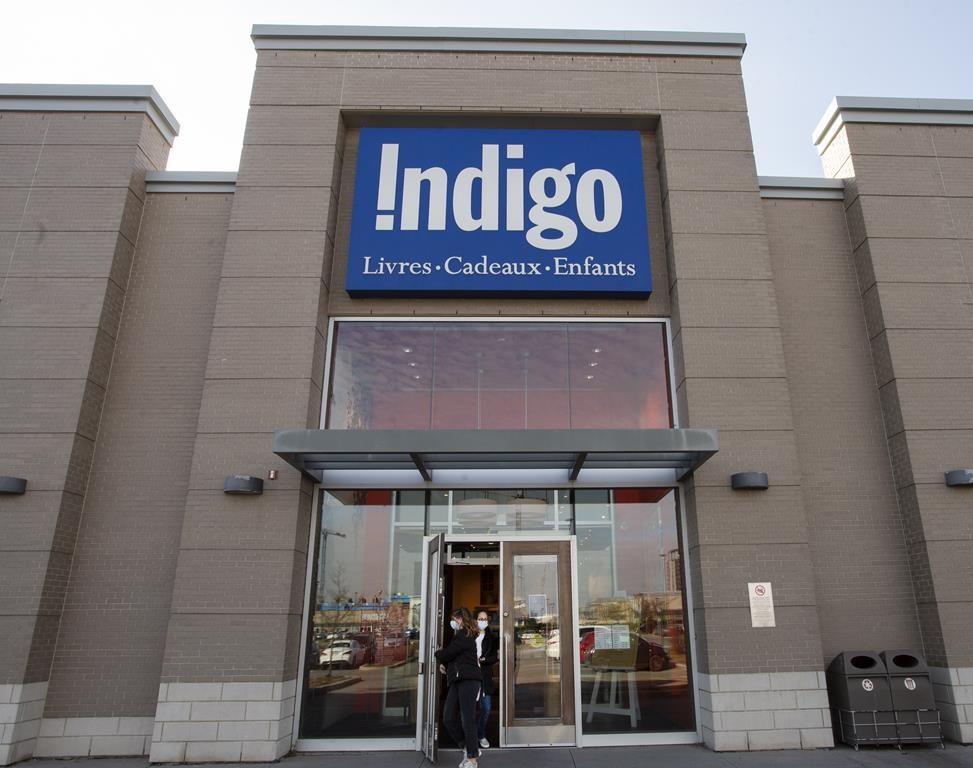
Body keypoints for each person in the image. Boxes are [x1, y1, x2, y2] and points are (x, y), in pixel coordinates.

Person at [435, 607, 482, 768]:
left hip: (469, 680)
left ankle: (472, 759)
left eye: (454, 619)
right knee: (448, 717)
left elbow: (448, 653)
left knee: (467, 719)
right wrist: (446, 666)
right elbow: (456, 657)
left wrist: (436, 652)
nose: (452, 622)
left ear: (460, 619)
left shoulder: (465, 635)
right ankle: (468, 747)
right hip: (457, 680)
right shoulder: (460, 636)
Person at [475, 610, 498, 749]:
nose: (482, 621)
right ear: (476, 620)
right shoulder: (470, 634)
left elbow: (494, 657)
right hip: (471, 676)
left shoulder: (491, 637)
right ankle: (468, 737)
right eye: (480, 618)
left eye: (485, 619)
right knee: (468, 709)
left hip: (485, 676)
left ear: (488, 621)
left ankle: (480, 734)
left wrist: (484, 660)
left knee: (486, 708)